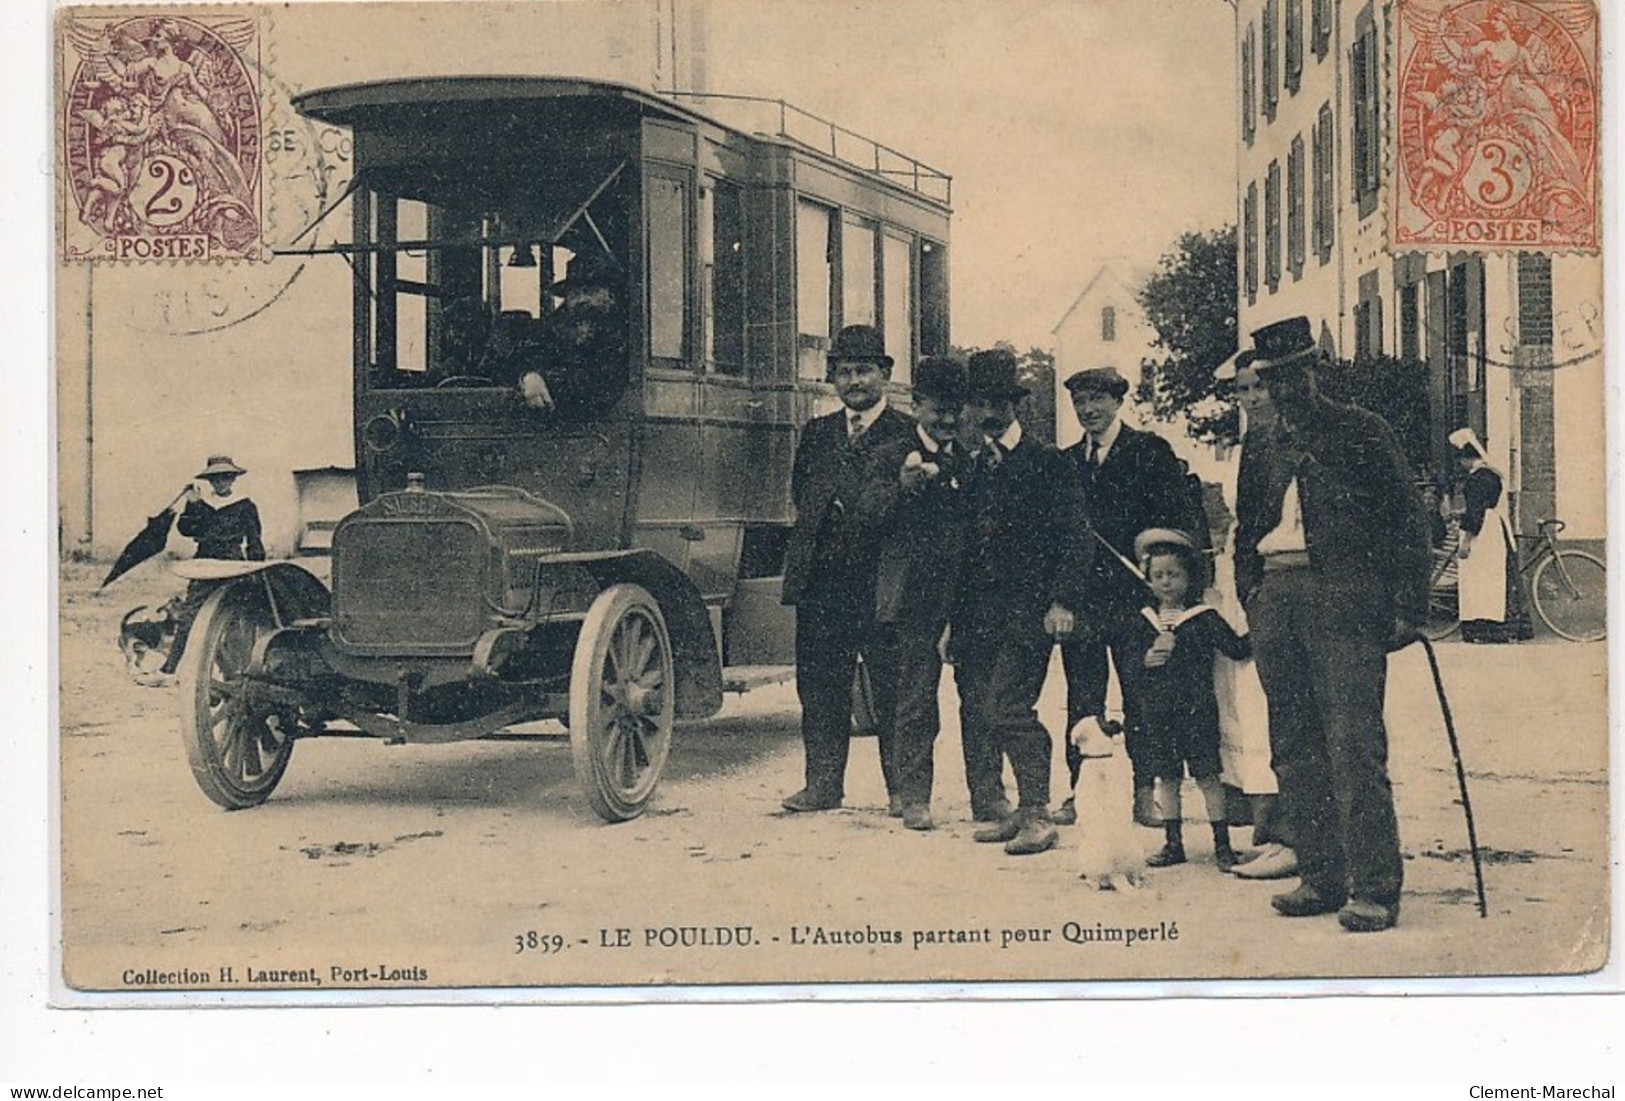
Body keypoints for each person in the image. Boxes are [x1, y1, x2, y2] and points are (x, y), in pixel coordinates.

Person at [1234, 316, 1430, 933]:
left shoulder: (1361, 431)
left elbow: (1408, 521)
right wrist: (1253, 595)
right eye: (1270, 378)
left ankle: (1374, 886)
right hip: (1277, 599)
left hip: (1343, 600)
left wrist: (1408, 609)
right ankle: (1321, 875)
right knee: (1294, 748)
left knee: (1352, 746)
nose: (1284, 389)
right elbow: (1246, 530)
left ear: (1314, 371)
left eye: (1294, 375)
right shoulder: (1259, 442)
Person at [952, 349, 1093, 855]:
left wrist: (1062, 602)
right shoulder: (971, 468)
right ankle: (1016, 811)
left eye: (996, 402)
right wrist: (953, 620)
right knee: (983, 711)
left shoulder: (1048, 464)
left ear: (1014, 406)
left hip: (1030, 611)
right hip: (977, 616)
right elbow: (963, 550)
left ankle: (1038, 812)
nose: (987, 413)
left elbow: (1076, 539)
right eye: (978, 403)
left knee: (1009, 707)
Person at [1058, 366, 1202, 828]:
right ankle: (1081, 794)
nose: (1088, 410)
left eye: (1097, 399)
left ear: (1118, 401)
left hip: (1134, 601)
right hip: (1083, 601)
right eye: (1080, 401)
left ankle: (1145, 794)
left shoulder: (1149, 451)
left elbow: (1179, 522)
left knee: (1143, 699)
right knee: (1083, 699)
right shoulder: (1066, 462)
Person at [778, 325, 914, 813]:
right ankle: (822, 785)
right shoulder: (817, 434)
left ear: (886, 374)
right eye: (843, 372)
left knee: (892, 685)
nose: (853, 381)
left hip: (881, 584)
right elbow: (803, 496)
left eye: (863, 370)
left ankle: (902, 789)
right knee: (819, 686)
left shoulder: (907, 433)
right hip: (823, 584)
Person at [860, 357, 973, 830]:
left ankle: (987, 797)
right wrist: (902, 490)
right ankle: (912, 796)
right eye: (937, 411)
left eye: (955, 412)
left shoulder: (969, 458)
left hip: (964, 596)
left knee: (978, 701)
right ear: (918, 405)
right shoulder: (889, 454)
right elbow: (866, 513)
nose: (947, 421)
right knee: (913, 699)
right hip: (910, 598)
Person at [1213, 351, 1298, 881]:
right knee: (1247, 702)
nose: (1250, 399)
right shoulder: (1252, 444)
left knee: (1283, 709)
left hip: (1285, 580)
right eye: (1242, 390)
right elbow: (1244, 525)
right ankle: (1269, 827)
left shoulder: (1291, 440)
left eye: (1258, 388)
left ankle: (1292, 832)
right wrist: (1245, 588)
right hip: (1250, 584)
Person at [1120, 529, 1251, 871]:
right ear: (1148, 579)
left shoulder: (1204, 617)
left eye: (1174, 575)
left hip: (1197, 711)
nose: (1166, 583)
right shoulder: (1142, 620)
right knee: (1169, 777)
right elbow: (1129, 663)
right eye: (1158, 576)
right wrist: (1145, 659)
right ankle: (1172, 843)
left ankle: (1222, 845)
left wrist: (1261, 630)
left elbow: (1236, 648)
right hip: (1159, 713)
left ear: (1190, 577)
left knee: (1208, 776)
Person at [146, 455, 266, 684]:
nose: (221, 483)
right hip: (204, 561)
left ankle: (237, 676)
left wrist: (255, 568)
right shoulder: (202, 504)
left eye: (226, 478)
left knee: (233, 619)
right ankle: (169, 671)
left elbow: (254, 539)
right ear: (210, 481)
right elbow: (187, 530)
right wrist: (192, 505)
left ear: (233, 479)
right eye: (216, 479)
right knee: (189, 615)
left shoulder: (245, 505)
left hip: (232, 564)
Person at [515, 251, 630, 419]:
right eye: (575, 292)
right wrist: (529, 376)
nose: (582, 299)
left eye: (591, 291)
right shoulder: (555, 328)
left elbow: (599, 384)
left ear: (611, 296)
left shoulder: (623, 335)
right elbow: (526, 358)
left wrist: (544, 380)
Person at [1449, 426, 1529, 643]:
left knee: (1480, 579)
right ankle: (1501, 626)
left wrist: (1465, 540)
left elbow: (1476, 511)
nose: (1460, 466)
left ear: (1467, 459)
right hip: (1494, 528)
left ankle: (1483, 628)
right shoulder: (1492, 474)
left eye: (1461, 461)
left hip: (1483, 534)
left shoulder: (1477, 478)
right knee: (1494, 577)